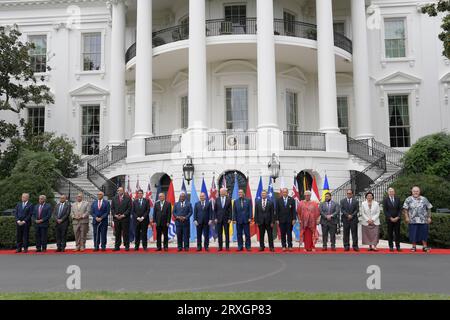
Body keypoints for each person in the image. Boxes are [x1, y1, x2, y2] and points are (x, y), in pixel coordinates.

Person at [403, 186, 433, 252]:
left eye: (417, 191)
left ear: (419, 192)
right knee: (413, 233)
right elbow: (405, 209)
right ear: (412, 192)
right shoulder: (408, 199)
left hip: (423, 220)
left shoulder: (424, 199)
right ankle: (414, 247)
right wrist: (407, 217)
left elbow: (429, 208)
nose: (415, 192)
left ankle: (424, 247)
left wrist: (429, 217)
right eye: (414, 191)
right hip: (412, 220)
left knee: (424, 233)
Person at [111, 187, 132, 251]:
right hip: (117, 219)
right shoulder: (114, 198)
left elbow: (129, 208)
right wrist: (115, 215)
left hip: (125, 219)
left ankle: (126, 246)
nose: (119, 191)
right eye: (118, 191)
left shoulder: (128, 198)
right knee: (117, 233)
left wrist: (123, 215)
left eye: (120, 190)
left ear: (123, 191)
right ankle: (117, 246)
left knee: (125, 233)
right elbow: (112, 208)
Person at [382, 187, 402, 252]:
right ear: (388, 192)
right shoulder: (385, 200)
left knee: (397, 233)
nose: (391, 192)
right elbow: (385, 210)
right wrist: (390, 218)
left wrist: (398, 217)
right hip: (389, 220)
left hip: (397, 219)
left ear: (394, 192)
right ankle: (391, 246)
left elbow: (400, 209)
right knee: (390, 233)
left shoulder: (398, 199)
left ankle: (398, 246)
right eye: (390, 191)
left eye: (392, 191)